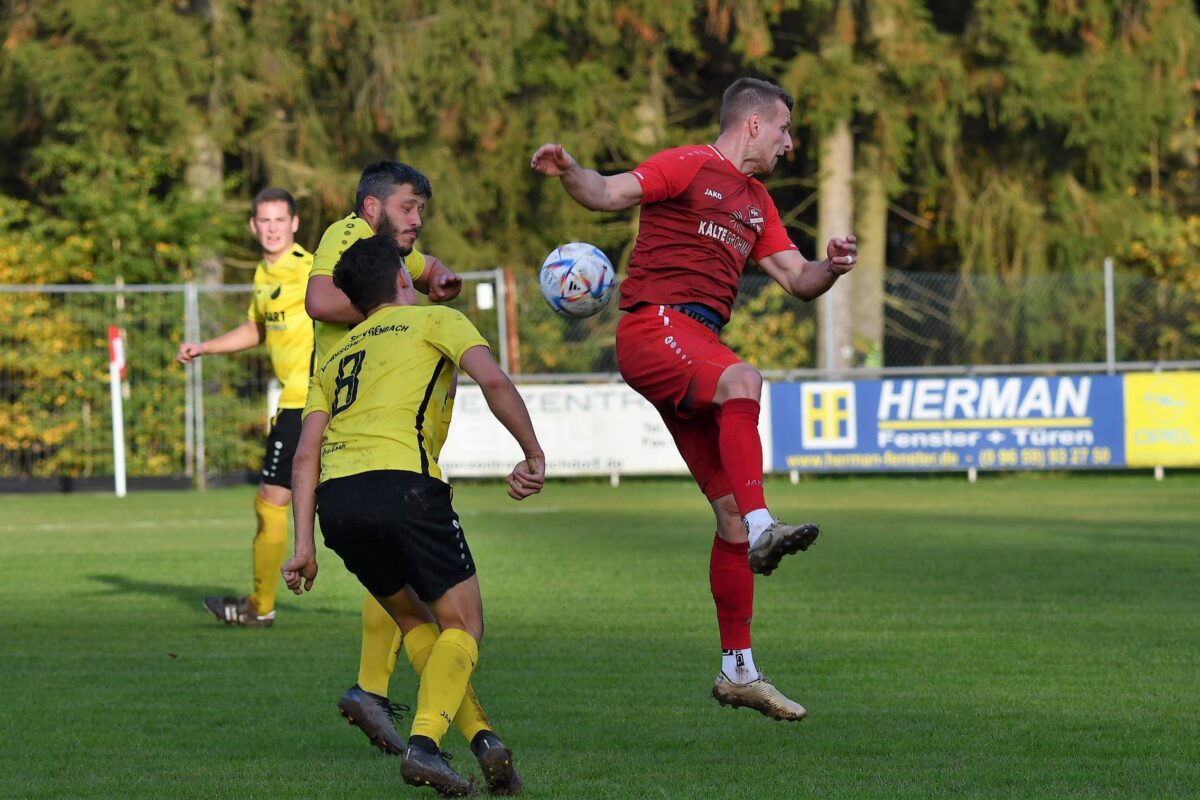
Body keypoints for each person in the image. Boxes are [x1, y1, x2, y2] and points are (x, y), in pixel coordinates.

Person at [530, 77, 858, 721]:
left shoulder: (757, 202)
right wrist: (569, 170)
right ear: (754, 124)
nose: (790, 144)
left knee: (728, 514)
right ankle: (766, 528)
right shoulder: (688, 164)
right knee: (744, 380)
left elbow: (798, 278)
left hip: (695, 341)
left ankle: (738, 670)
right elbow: (606, 192)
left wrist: (833, 266)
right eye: (785, 129)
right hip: (654, 327)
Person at [283, 234, 545, 796]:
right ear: (404, 279)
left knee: (415, 623)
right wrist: (532, 453)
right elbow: (494, 380)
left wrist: (303, 546)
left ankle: (484, 742)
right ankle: (423, 747)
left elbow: (305, 454)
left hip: (338, 504)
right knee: (464, 626)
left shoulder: (333, 357)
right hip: (405, 489)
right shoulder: (436, 320)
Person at [177, 187, 314, 628]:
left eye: (280, 220)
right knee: (294, 502)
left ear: (294, 223)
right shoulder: (263, 272)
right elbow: (257, 328)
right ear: (254, 226)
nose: (272, 228)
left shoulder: (310, 269)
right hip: (296, 402)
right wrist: (205, 347)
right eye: (265, 221)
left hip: (308, 401)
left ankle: (259, 606)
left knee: (272, 500)